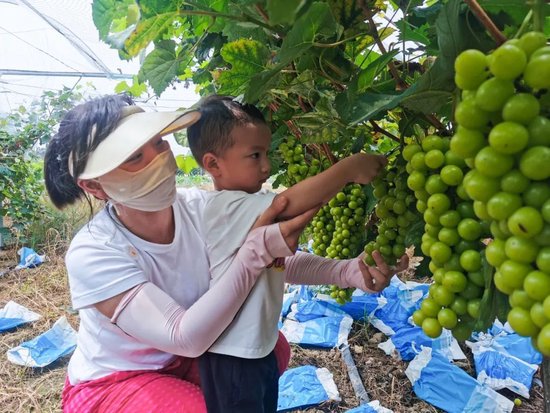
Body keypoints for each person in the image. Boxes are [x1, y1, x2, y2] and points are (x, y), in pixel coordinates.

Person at [43, 94, 405, 413]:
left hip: (185, 359)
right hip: (120, 379)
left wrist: (345, 272)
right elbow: (184, 334)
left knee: (268, 349)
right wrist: (253, 254)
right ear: (94, 186)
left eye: (158, 144)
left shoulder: (198, 207)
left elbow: (274, 260)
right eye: (136, 156)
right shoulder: (94, 252)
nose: (157, 159)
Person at [187, 95, 408, 413]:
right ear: (213, 165)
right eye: (254, 155)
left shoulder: (246, 208)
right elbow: (288, 204)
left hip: (254, 352)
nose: (267, 165)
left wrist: (344, 270)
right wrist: (346, 170)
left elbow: (282, 265)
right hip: (231, 360)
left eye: (265, 153)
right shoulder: (224, 208)